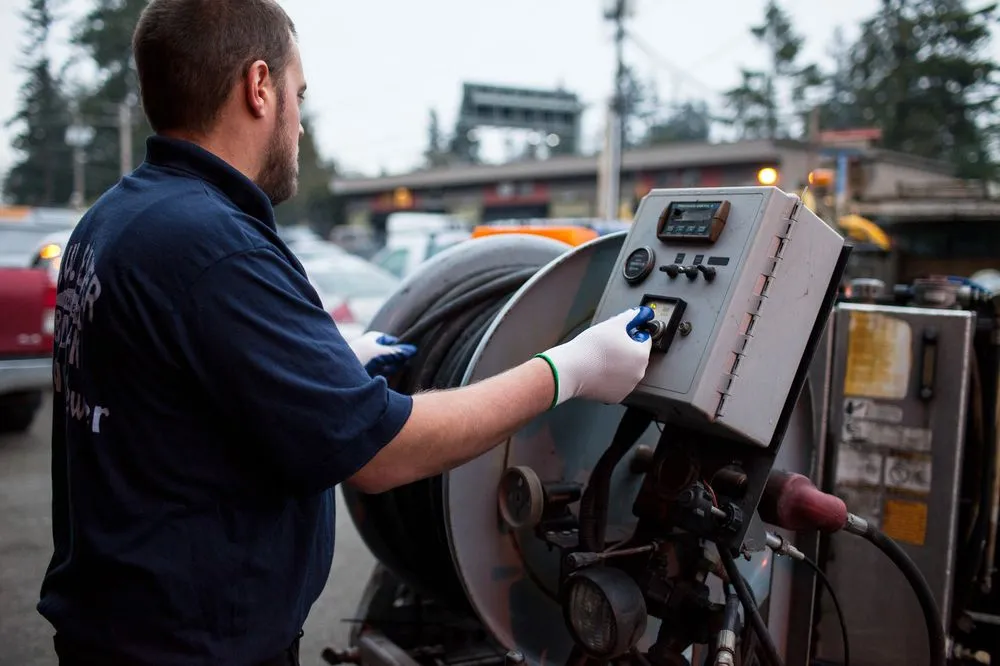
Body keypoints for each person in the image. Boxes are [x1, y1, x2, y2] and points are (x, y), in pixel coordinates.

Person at [37, 1, 656, 664]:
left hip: (120, 630)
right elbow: (383, 455)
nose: (298, 122)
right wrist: (573, 369)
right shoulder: (217, 248)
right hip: (193, 647)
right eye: (298, 95)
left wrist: (323, 369)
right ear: (259, 87)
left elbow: (168, 394)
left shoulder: (113, 220)